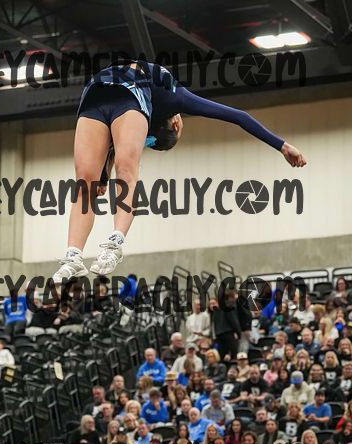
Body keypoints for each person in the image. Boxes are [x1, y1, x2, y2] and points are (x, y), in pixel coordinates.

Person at [53, 59, 306, 282]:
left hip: (102, 91)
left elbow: (239, 116)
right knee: (108, 174)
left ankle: (112, 243)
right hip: (102, 91)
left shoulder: (171, 100)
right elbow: (237, 116)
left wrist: (283, 146)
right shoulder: (172, 97)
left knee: (104, 176)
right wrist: (281, 145)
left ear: (174, 125)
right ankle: (74, 255)